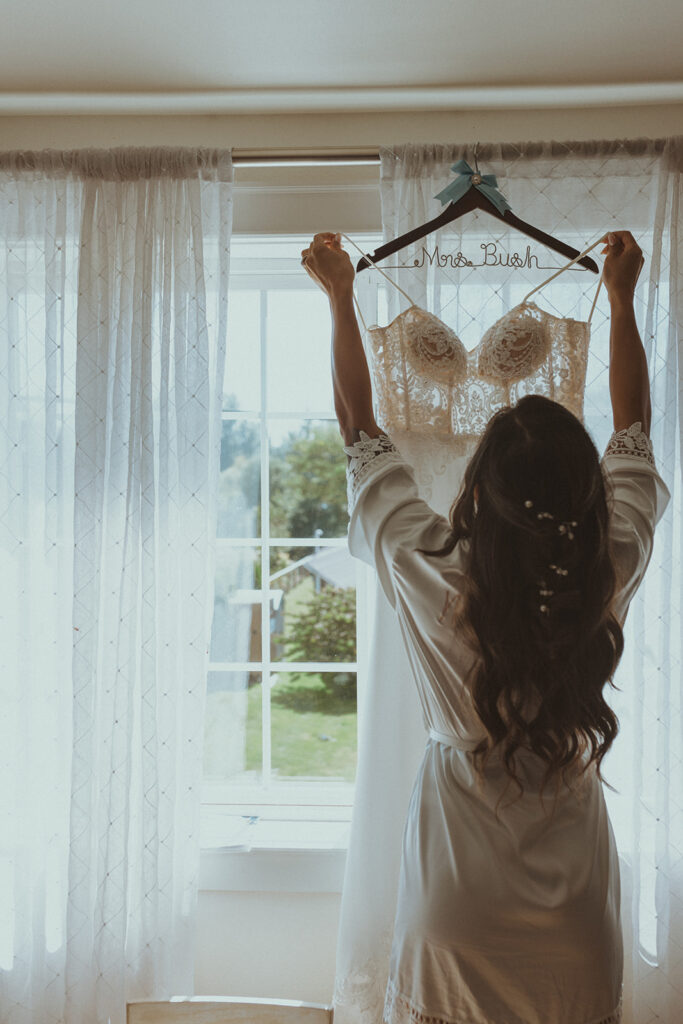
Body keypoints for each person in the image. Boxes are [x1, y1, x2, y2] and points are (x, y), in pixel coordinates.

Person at [300, 230, 670, 1024]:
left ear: (476, 490)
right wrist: (620, 297)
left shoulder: (426, 564)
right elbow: (634, 428)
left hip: (453, 906)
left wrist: (339, 295)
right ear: (587, 496)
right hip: (572, 912)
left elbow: (358, 424)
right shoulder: (607, 563)